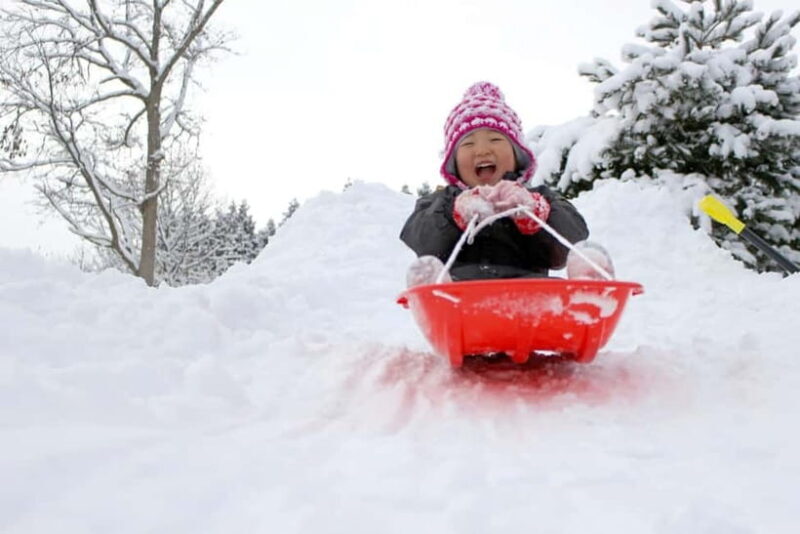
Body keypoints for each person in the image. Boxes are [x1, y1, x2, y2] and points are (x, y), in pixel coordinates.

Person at [400, 81, 591, 285]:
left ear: (517, 155)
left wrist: (536, 213)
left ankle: (589, 283)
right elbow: (422, 241)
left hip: (528, 296)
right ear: (453, 162)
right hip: (459, 297)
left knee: (586, 256)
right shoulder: (442, 201)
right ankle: (431, 297)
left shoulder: (539, 197)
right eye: (468, 143)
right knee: (426, 266)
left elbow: (570, 241)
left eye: (495, 140)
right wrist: (453, 214)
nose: (482, 150)